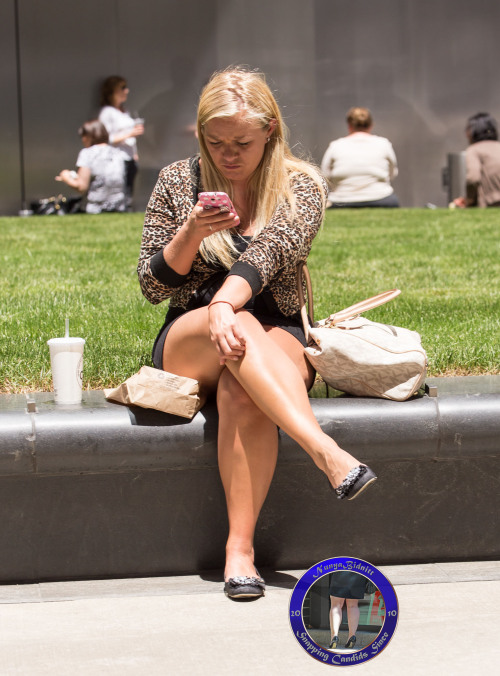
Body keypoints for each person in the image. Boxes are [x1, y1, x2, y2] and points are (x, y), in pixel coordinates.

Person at [137, 67, 377, 600]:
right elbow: (152, 285)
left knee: (243, 385)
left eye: (241, 142)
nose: (227, 155)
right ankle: (324, 452)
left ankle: (239, 552)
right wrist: (189, 234)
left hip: (277, 329)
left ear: (270, 130)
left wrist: (229, 300)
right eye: (214, 142)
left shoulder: (301, 185)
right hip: (191, 333)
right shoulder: (179, 181)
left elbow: (273, 253)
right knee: (238, 330)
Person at [321, 107, 399, 208]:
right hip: (381, 198)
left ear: (349, 126)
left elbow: (325, 176)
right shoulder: (384, 144)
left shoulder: (335, 146)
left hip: (342, 200)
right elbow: (392, 173)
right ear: (371, 125)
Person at [55, 119, 126, 214]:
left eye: (83, 136)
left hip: (96, 208)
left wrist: (66, 177)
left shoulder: (87, 153)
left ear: (89, 136)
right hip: (118, 207)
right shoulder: (118, 153)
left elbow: (81, 187)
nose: (82, 140)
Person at [98, 75, 144, 206]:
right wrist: (130, 134)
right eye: (122, 88)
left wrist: (134, 154)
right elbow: (104, 138)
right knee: (119, 191)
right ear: (113, 91)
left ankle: (126, 209)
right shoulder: (107, 112)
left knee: (129, 189)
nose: (127, 91)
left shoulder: (124, 111)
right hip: (116, 158)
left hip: (129, 156)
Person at [453, 112, 500, 208]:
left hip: (491, 203)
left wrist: (469, 200)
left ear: (474, 131)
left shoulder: (474, 150)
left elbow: (473, 178)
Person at [328, 571, 366, 650]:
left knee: (336, 604)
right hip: (358, 570)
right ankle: (352, 636)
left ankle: (334, 637)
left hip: (341, 568)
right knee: (353, 605)